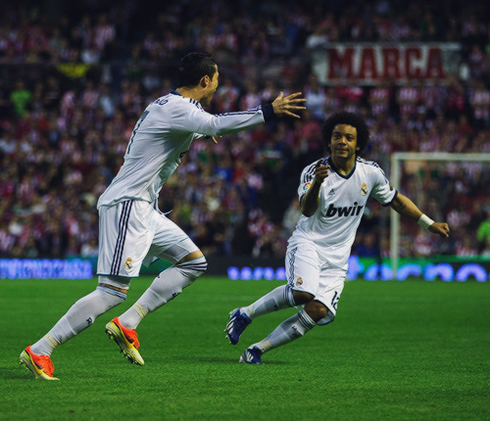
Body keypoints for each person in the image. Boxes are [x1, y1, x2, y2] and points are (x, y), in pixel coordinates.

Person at [20, 52, 306, 380]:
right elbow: (211, 122)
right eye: (216, 79)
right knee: (111, 291)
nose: (217, 85)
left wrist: (203, 132)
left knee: (193, 262)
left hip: (144, 207)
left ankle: (128, 323)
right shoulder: (178, 109)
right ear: (204, 81)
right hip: (127, 204)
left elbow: (198, 127)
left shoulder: (171, 106)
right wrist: (267, 111)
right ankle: (41, 349)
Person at [225, 111, 450, 364]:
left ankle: (256, 350)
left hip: (338, 258)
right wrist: (318, 185)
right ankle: (245, 314)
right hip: (308, 243)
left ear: (358, 144)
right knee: (302, 292)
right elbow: (307, 209)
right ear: (329, 141)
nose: (342, 141)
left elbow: (395, 199)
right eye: (337, 137)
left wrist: (428, 223)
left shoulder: (370, 173)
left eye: (349, 138)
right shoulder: (314, 171)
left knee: (318, 310)